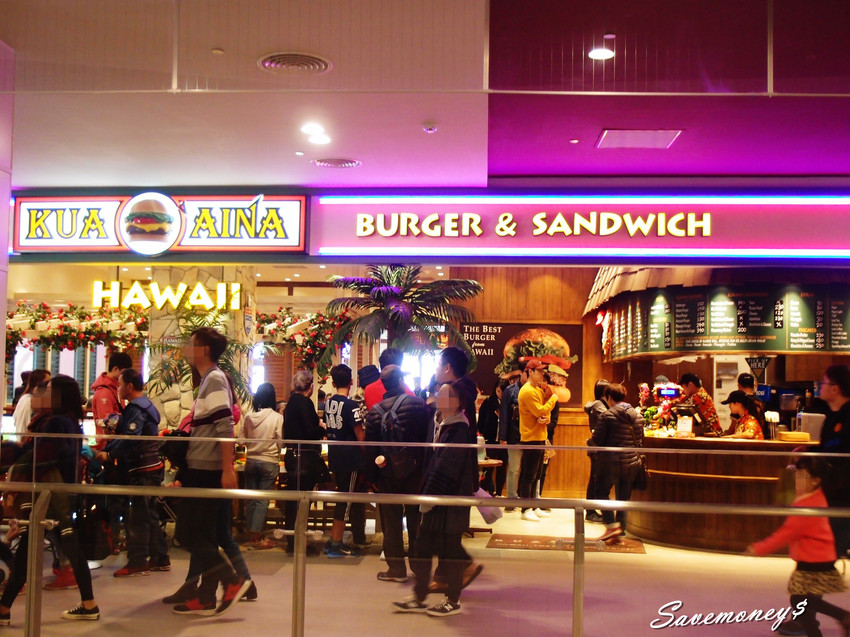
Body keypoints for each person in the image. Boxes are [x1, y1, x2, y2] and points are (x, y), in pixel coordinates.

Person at [0, 375, 101, 624]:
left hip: (50, 495)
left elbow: (43, 455)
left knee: (43, 550)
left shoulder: (56, 422)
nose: (42, 394)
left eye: (48, 391)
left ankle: (4, 609)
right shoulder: (65, 421)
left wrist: (13, 452)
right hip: (57, 493)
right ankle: (4, 609)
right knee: (49, 549)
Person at [172, 327, 251, 617]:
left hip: (205, 470)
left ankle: (233, 580)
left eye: (191, 343)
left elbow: (225, 424)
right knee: (206, 535)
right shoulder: (209, 379)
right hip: (204, 468)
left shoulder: (215, 378)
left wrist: (227, 468)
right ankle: (205, 596)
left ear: (203, 350)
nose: (186, 348)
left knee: (188, 534)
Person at [393, 381, 478, 617]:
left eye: (447, 395)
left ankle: (453, 600)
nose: (441, 398)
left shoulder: (459, 429)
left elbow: (446, 468)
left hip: (449, 500)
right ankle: (419, 595)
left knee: (450, 551)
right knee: (423, 547)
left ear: (458, 402)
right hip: (436, 498)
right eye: (440, 394)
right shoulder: (439, 423)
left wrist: (428, 498)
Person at [746, 457, 850, 637]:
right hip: (816, 558)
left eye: (802, 475)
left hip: (814, 560)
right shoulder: (814, 498)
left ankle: (843, 617)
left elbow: (785, 534)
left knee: (801, 601)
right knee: (802, 602)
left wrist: (759, 548)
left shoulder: (806, 506)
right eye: (797, 474)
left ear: (815, 481)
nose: (797, 479)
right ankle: (839, 619)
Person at [96, 368, 170, 577]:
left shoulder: (136, 408)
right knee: (150, 515)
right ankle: (160, 557)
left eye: (120, 384)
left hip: (143, 468)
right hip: (152, 466)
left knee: (138, 518)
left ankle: (138, 562)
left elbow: (131, 437)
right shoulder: (147, 405)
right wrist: (109, 451)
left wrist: (109, 454)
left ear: (129, 386)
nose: (117, 388)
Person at [365, 365, 430, 583]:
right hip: (415, 472)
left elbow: (371, 450)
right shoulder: (418, 405)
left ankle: (396, 569)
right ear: (401, 380)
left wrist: (372, 479)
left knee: (391, 521)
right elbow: (427, 440)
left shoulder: (374, 413)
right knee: (416, 519)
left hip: (387, 474)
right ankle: (420, 568)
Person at [323, 364, 368, 558]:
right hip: (350, 458)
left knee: (341, 497)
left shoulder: (328, 404)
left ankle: (333, 538)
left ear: (333, 383)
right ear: (351, 382)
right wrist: (367, 453)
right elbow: (360, 435)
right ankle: (336, 541)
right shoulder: (352, 405)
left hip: (335, 455)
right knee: (346, 500)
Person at [282, 370, 328, 555]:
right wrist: (322, 429)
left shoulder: (291, 403)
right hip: (304, 457)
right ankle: (298, 542)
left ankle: (292, 540)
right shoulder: (305, 403)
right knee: (303, 502)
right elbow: (310, 431)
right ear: (310, 387)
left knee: (294, 502)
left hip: (293, 456)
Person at [592, 383, 643, 543]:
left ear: (609, 397)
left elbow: (597, 440)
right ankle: (621, 531)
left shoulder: (606, 416)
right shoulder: (638, 416)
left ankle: (612, 526)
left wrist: (589, 440)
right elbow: (640, 440)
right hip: (632, 462)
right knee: (623, 497)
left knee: (600, 492)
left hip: (611, 462)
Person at [237, 382, 283, 550]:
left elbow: (241, 440)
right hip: (269, 461)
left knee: (251, 499)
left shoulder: (249, 416)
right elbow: (281, 442)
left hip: (251, 461)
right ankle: (256, 538)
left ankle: (251, 534)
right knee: (262, 501)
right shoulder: (277, 417)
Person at [517, 360, 557, 522]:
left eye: (542, 371)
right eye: (539, 371)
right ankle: (525, 509)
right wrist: (553, 399)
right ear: (530, 372)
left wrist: (546, 418)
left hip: (539, 437)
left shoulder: (537, 390)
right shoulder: (527, 391)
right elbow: (541, 410)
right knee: (529, 475)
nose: (542, 374)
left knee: (537, 474)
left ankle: (533, 506)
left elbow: (544, 413)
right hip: (531, 439)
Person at [583, 379, 610, 524]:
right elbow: (608, 423)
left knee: (595, 479)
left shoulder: (599, 405)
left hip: (597, 447)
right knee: (595, 480)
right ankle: (591, 511)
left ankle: (592, 510)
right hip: (598, 448)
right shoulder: (600, 406)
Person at [498, 370, 523, 509]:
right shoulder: (510, 391)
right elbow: (504, 415)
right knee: (513, 468)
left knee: (528, 470)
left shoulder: (536, 390)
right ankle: (511, 499)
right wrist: (503, 437)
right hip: (514, 435)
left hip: (531, 436)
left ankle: (526, 499)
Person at [478, 379, 507, 497]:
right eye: (498, 391)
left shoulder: (508, 403)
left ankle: (499, 492)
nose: (500, 394)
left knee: (502, 468)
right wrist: (483, 433)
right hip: (490, 439)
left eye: (503, 392)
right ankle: (485, 492)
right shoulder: (488, 402)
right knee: (488, 468)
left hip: (503, 440)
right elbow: (481, 420)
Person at [11, 368, 50, 442]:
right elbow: (26, 425)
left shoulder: (26, 399)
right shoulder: (29, 401)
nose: (48, 385)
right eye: (46, 382)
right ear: (38, 384)